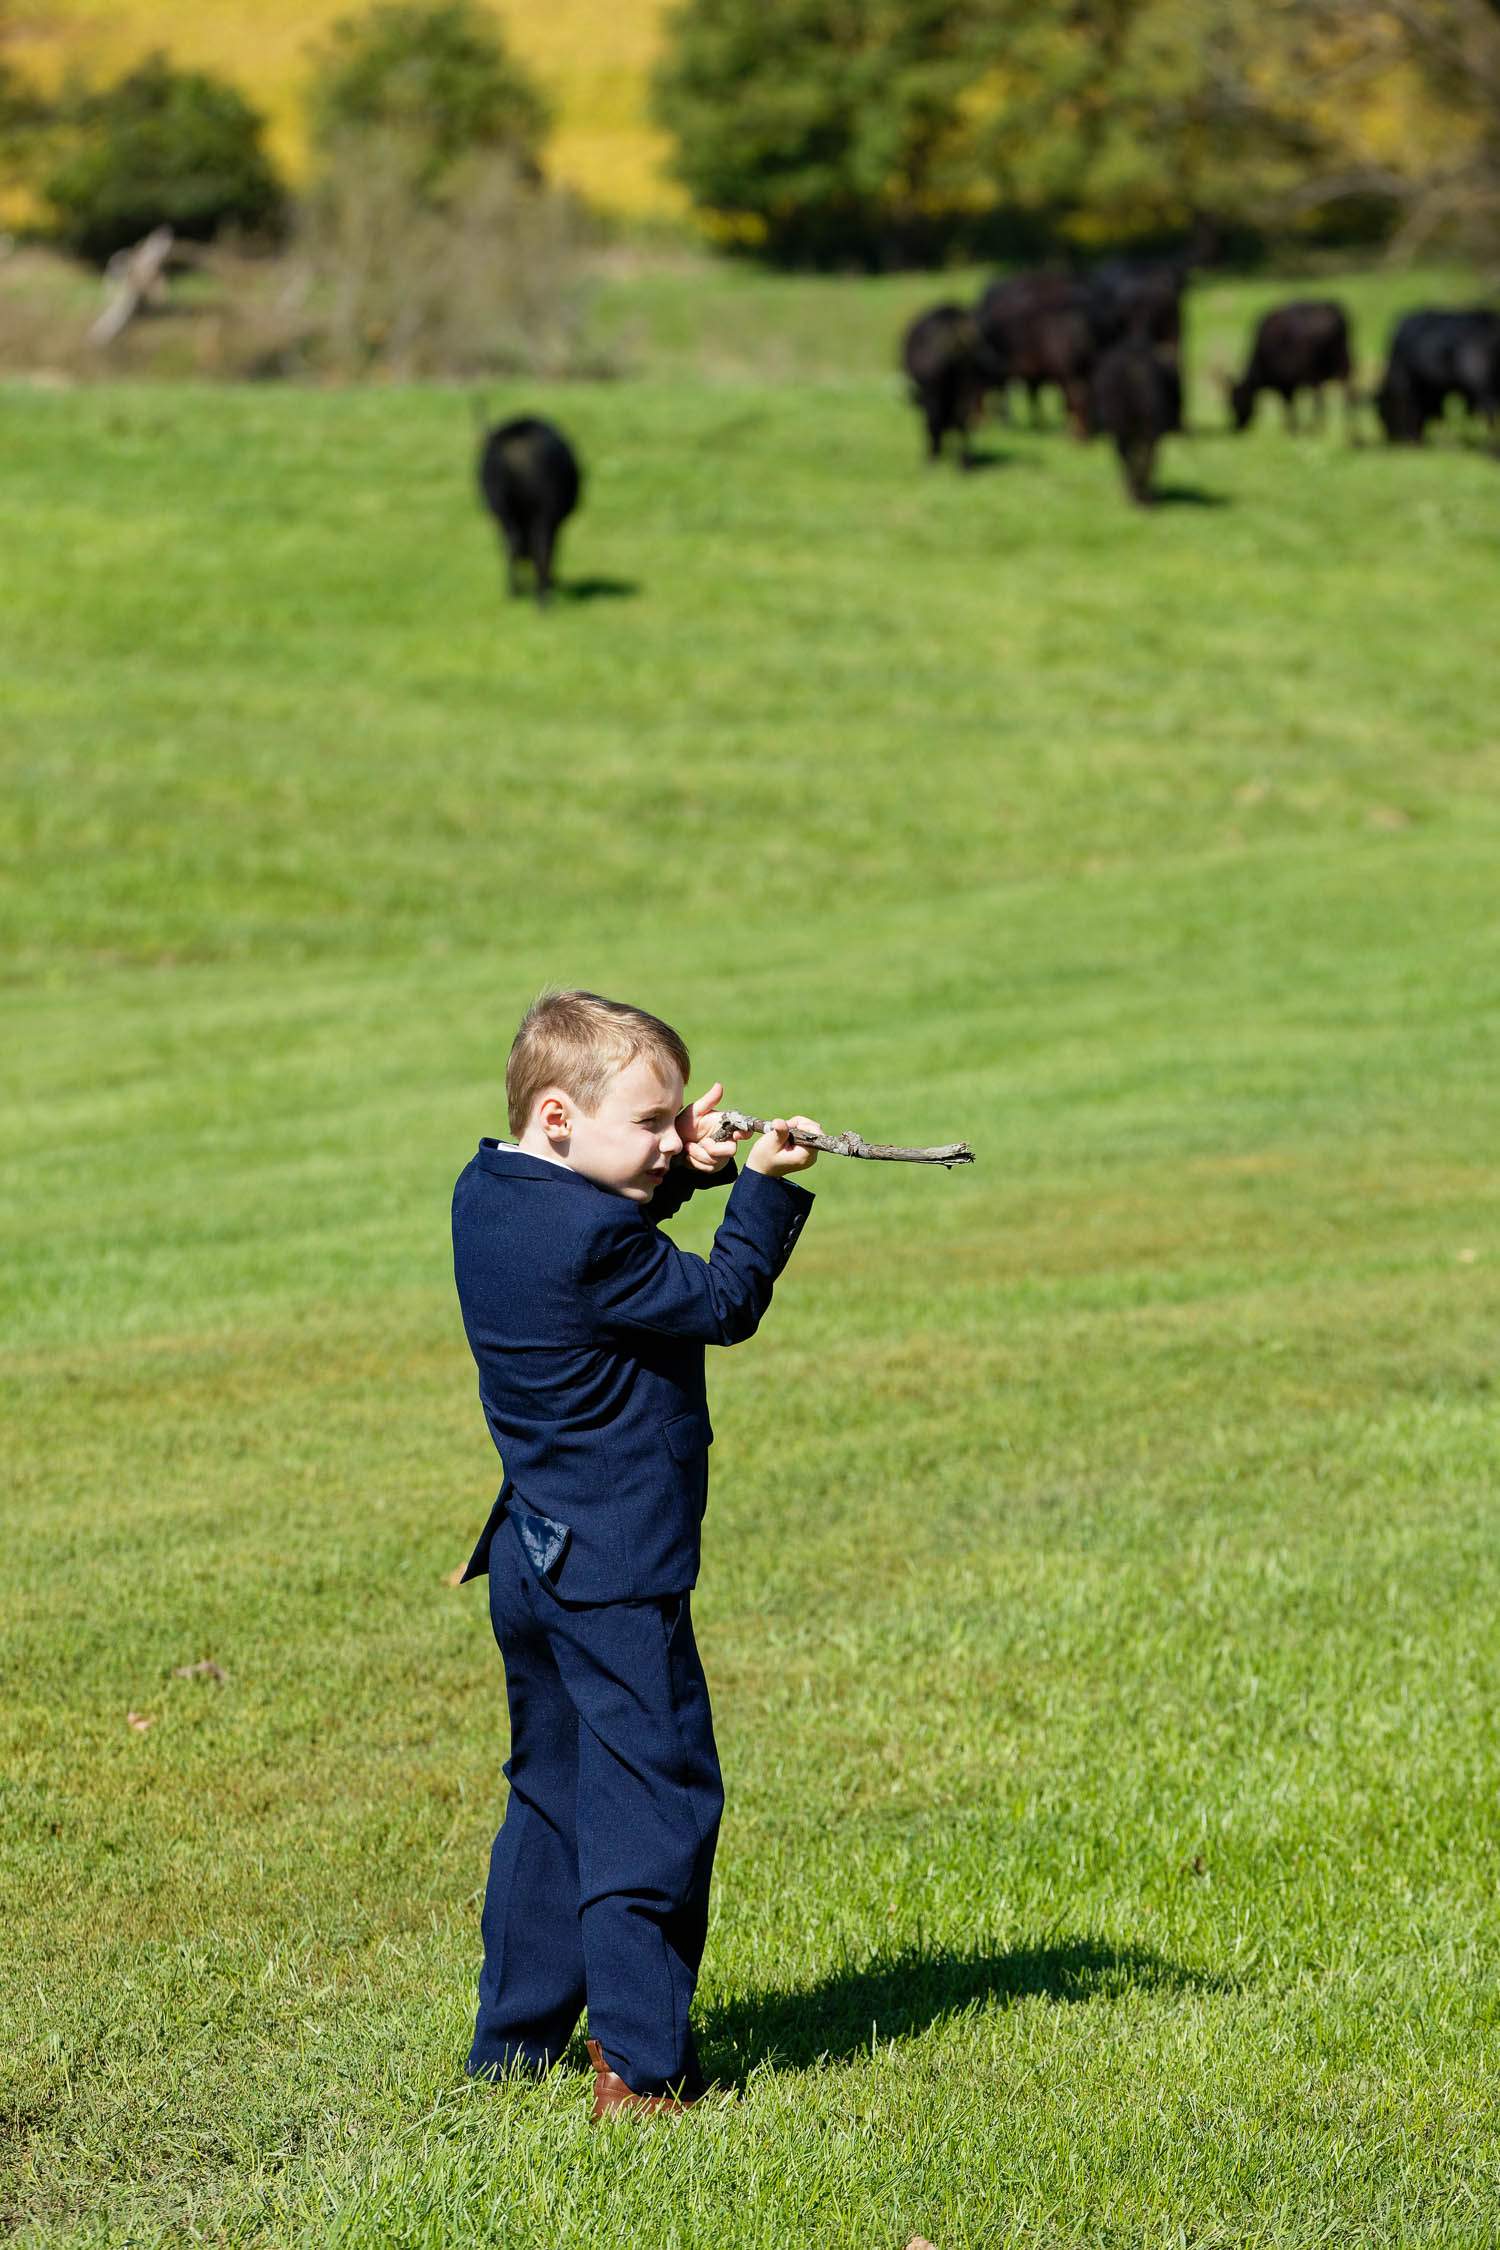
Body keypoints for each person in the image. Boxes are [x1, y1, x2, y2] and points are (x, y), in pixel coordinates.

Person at [451, 987, 820, 2117]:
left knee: (553, 1794)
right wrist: (755, 1191)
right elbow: (716, 1301)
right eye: (652, 1124)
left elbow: (603, 1237)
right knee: (656, 1801)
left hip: (529, 1553)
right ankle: (643, 2070)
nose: (672, 1140)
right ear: (559, 1116)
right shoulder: (593, 1237)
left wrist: (687, 1169)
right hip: (615, 1570)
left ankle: (511, 2047)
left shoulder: (491, 1191)